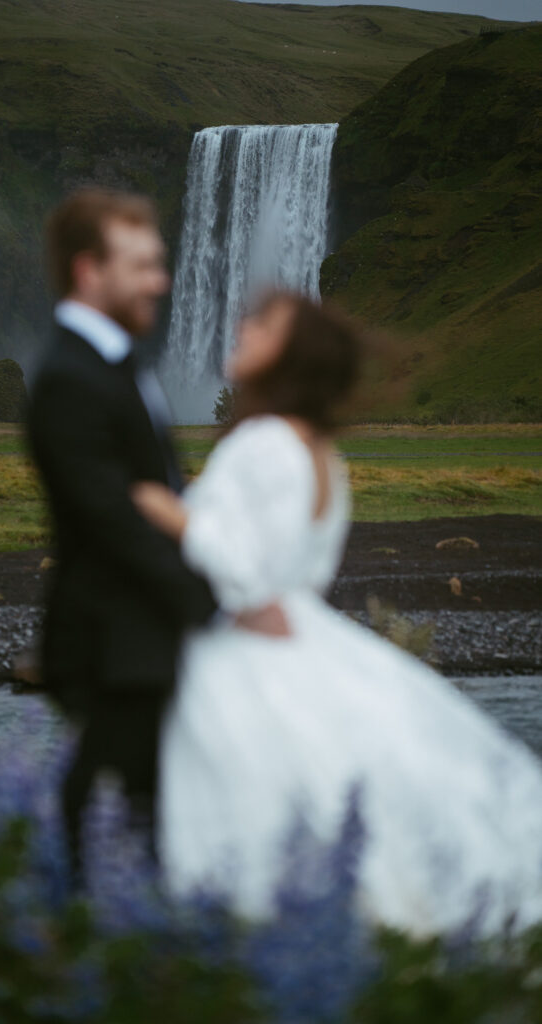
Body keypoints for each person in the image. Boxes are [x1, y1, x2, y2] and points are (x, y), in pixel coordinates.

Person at [132, 291, 542, 936]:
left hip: (251, 656)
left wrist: (162, 506)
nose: (241, 325)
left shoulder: (265, 441)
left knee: (239, 824)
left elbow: (245, 575)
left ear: (293, 356)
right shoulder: (324, 456)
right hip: (313, 647)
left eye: (262, 323)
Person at [26, 187, 220, 881]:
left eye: (159, 263)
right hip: (112, 641)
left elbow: (157, 491)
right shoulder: (68, 378)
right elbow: (110, 520)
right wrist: (212, 601)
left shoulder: (115, 362)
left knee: (148, 811)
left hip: (143, 633)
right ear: (88, 271)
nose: (160, 282)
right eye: (141, 265)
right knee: (117, 813)